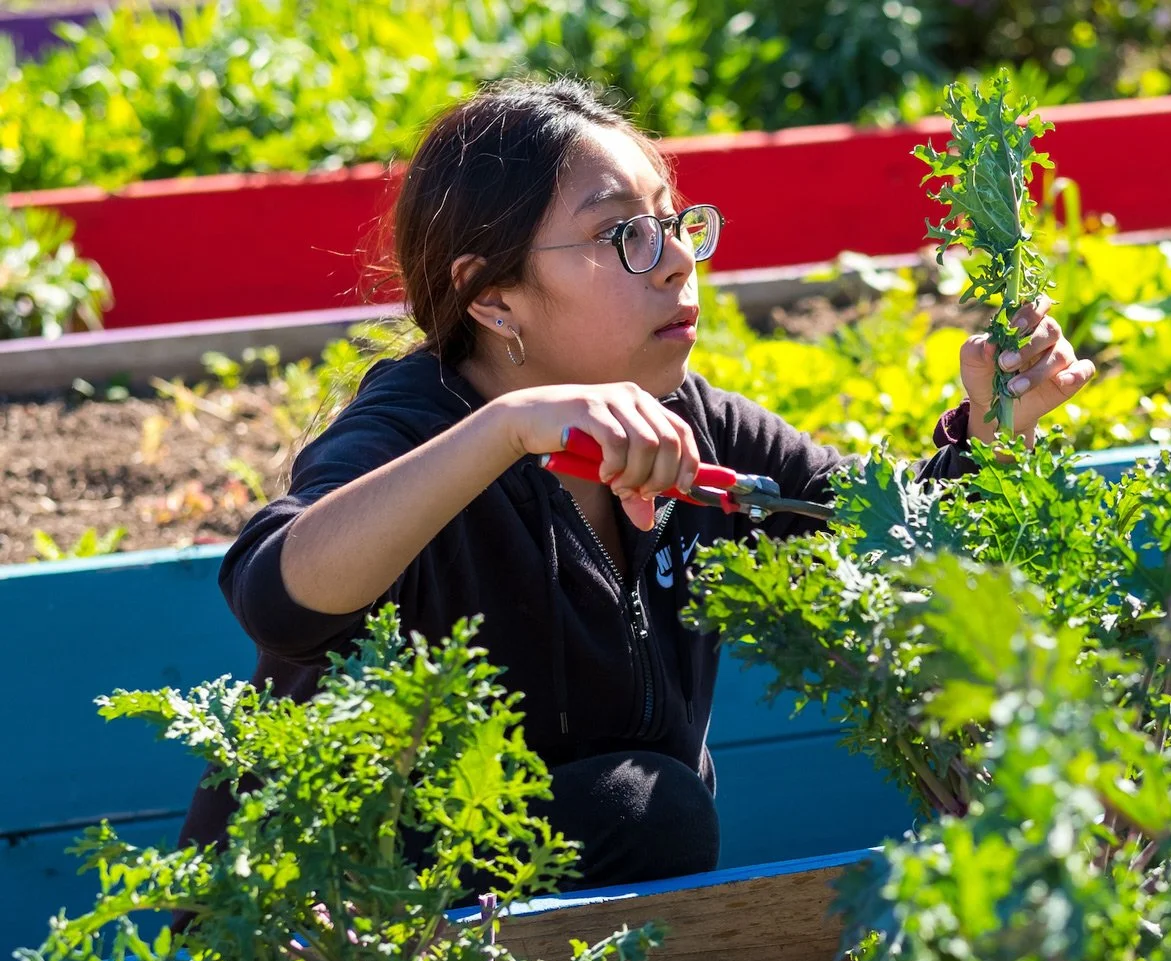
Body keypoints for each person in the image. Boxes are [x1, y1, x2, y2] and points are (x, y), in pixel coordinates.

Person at [178, 78, 1094, 888]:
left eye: (673, 221)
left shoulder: (691, 419)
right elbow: (275, 597)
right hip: (318, 947)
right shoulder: (413, 425)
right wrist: (505, 432)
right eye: (622, 234)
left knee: (659, 801)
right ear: (490, 298)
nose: (675, 258)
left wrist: (988, 435)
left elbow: (885, 541)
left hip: (545, 954)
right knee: (650, 807)